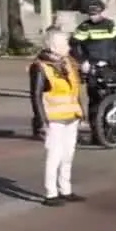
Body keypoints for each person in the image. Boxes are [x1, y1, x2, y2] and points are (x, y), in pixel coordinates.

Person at [29, 30, 86, 207]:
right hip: (53, 118)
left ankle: (65, 189)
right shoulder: (40, 67)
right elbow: (36, 95)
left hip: (71, 115)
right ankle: (51, 193)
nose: (68, 47)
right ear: (53, 46)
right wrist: (41, 122)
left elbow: (75, 88)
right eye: (65, 44)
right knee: (55, 155)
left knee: (68, 154)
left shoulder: (68, 62)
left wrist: (80, 112)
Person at [69, 0, 116, 144]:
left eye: (96, 14)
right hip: (93, 67)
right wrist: (82, 61)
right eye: (90, 14)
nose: (93, 17)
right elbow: (74, 46)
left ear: (101, 12)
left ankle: (112, 131)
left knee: (113, 98)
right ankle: (96, 134)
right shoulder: (84, 27)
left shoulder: (110, 25)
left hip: (110, 66)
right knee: (95, 100)